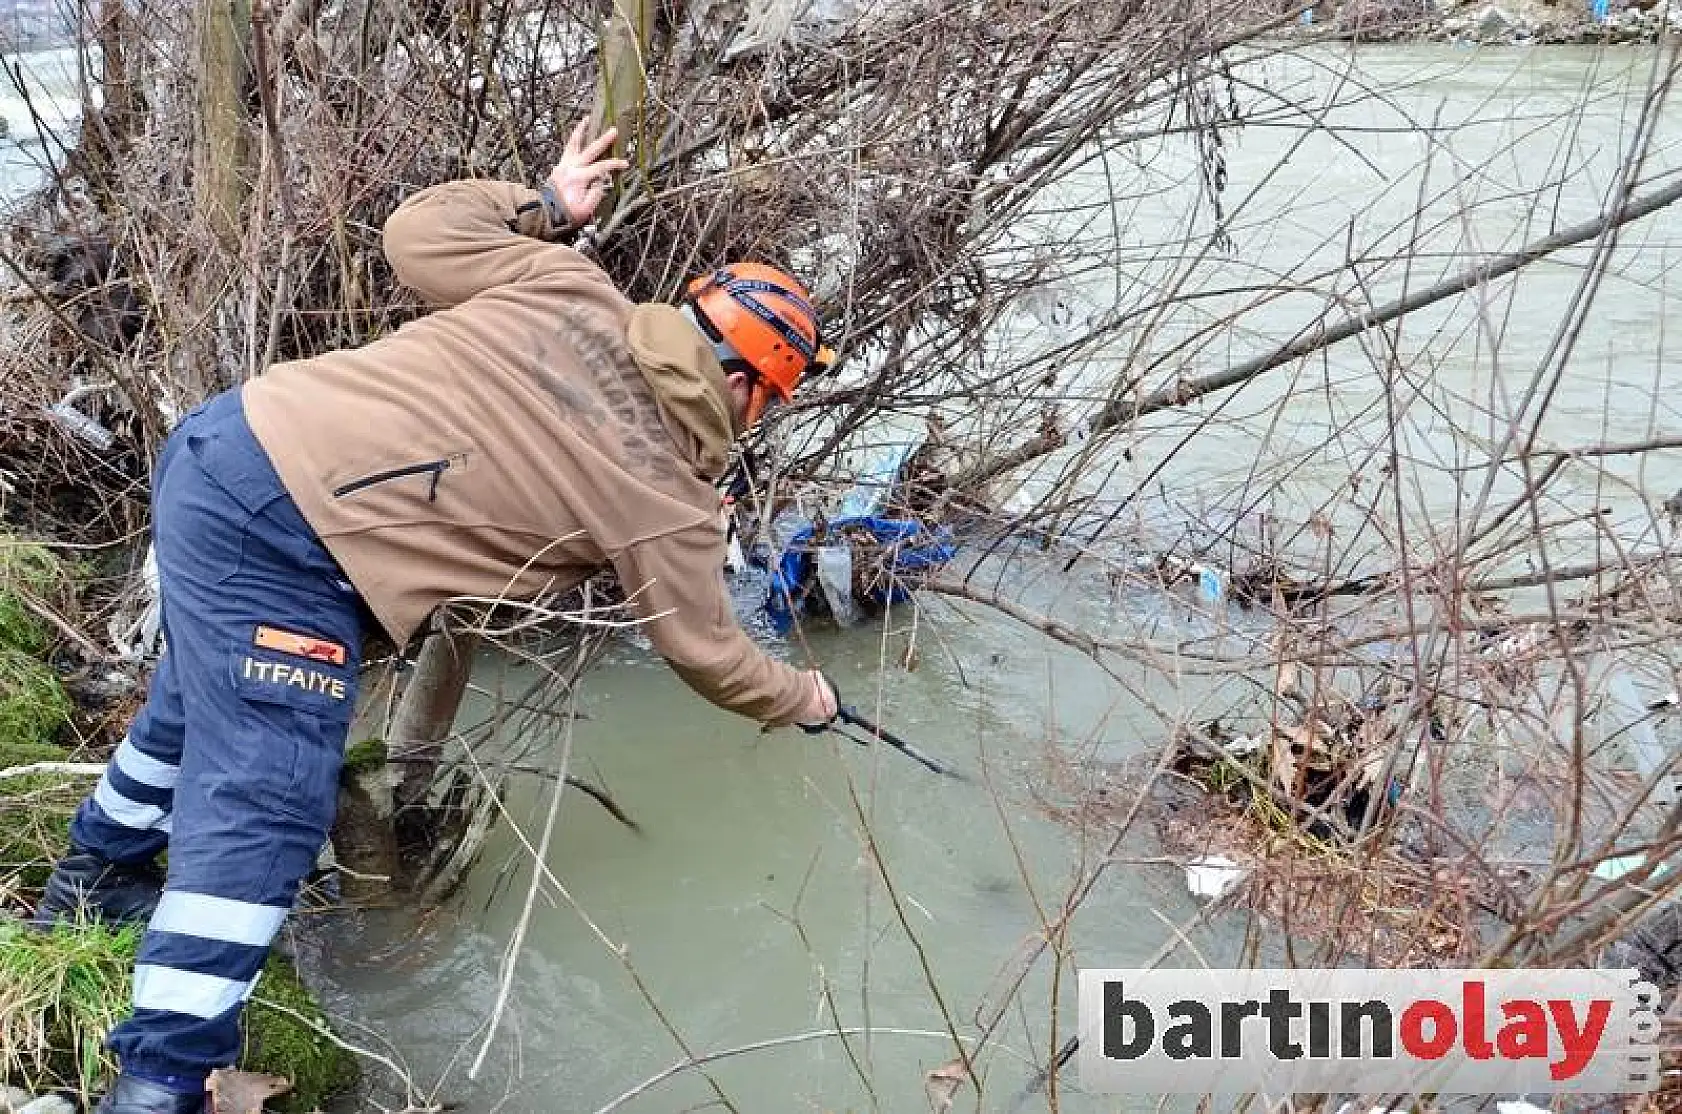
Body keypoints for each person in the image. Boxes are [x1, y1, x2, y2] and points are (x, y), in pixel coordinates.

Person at [32, 122, 842, 1114]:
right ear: (738, 386)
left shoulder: (569, 288)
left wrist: (549, 201)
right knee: (268, 806)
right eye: (769, 401)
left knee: (195, 709)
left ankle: (88, 882)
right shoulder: (662, 490)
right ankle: (158, 1084)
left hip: (226, 444)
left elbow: (415, 232)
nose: (760, 418)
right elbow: (702, 648)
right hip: (296, 548)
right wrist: (806, 695)